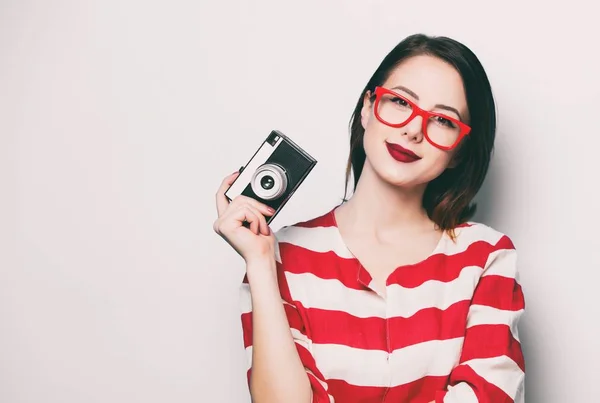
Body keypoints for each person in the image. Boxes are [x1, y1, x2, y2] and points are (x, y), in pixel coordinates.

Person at [213, 33, 525, 403]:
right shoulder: (279, 256)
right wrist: (261, 263)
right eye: (399, 101)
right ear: (367, 108)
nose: (413, 129)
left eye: (442, 120)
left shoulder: (486, 257)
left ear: (459, 151)